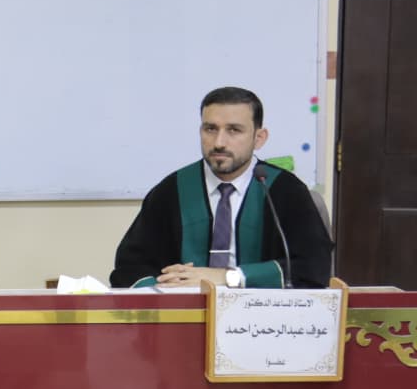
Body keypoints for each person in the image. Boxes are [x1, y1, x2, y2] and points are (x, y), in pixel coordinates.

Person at [110, 86, 333, 289]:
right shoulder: (171, 191)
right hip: (188, 313)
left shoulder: (285, 191)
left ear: (259, 138)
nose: (219, 142)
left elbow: (312, 268)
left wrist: (229, 277)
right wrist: (162, 287)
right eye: (210, 129)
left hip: (263, 315)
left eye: (234, 130)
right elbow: (129, 268)